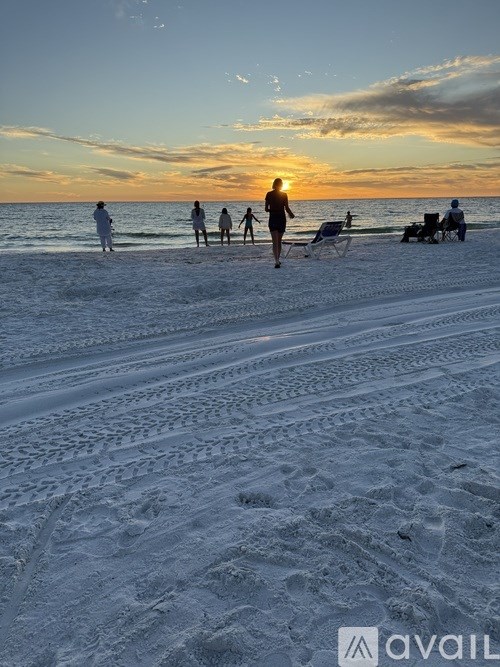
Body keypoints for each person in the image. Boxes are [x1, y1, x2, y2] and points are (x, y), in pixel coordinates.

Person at [265, 178, 295, 268]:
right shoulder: (284, 195)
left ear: (274, 184)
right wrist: (291, 214)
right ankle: (278, 259)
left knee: (275, 242)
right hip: (281, 218)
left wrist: (273, 210)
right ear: (281, 185)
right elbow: (287, 208)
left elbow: (266, 209)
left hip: (273, 218)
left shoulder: (269, 194)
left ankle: (277, 261)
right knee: (279, 241)